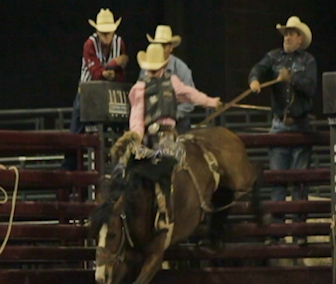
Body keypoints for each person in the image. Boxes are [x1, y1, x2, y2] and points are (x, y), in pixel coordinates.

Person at [127, 43, 221, 229]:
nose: (153, 73)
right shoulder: (139, 89)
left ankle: (166, 211)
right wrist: (136, 138)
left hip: (167, 137)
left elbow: (190, 94)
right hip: (147, 137)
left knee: (165, 166)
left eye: (155, 69)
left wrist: (210, 102)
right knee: (129, 168)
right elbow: (137, 116)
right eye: (150, 70)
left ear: (162, 67)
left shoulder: (173, 82)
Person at [248, 16, 317, 244]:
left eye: (291, 33)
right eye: (286, 33)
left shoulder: (308, 61)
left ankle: (298, 233)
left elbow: (310, 87)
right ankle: (277, 233)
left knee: (299, 181)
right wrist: (255, 79)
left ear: (299, 38)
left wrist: (292, 79)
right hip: (280, 124)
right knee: (278, 180)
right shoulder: (274, 57)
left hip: (300, 124)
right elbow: (259, 68)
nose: (287, 37)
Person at [63, 8, 128, 170]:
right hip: (87, 94)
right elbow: (96, 72)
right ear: (97, 32)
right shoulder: (89, 44)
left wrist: (114, 70)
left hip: (110, 94)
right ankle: (68, 173)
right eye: (103, 33)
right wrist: (114, 64)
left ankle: (119, 171)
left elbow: (120, 74)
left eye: (109, 33)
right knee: (75, 138)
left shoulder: (119, 43)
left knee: (119, 134)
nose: (106, 37)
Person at [139, 25, 195, 134]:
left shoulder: (181, 69)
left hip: (178, 122)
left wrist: (172, 115)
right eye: (157, 45)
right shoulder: (146, 68)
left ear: (171, 47)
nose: (159, 49)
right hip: (152, 120)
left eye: (163, 46)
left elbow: (189, 101)